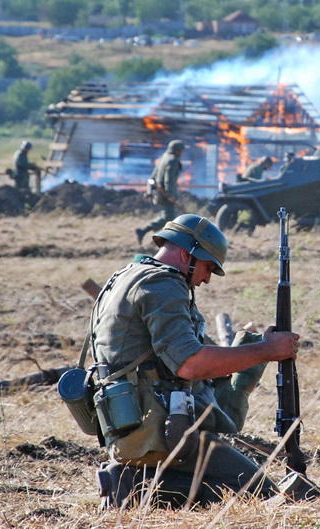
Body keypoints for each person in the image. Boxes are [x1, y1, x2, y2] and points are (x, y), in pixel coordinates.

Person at [89, 214, 300, 508]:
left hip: (133, 425)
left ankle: (137, 479)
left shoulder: (128, 275)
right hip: (156, 431)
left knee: (243, 486)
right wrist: (268, 351)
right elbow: (190, 364)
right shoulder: (163, 284)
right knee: (256, 493)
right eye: (207, 267)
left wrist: (258, 347)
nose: (206, 278)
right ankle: (131, 485)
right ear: (187, 254)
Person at [136, 140, 185, 245]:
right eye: (181, 150)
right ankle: (145, 232)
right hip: (165, 194)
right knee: (168, 217)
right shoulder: (172, 160)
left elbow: (153, 176)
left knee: (170, 217)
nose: (182, 153)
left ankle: (163, 239)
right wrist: (171, 195)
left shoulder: (163, 158)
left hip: (160, 193)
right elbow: (169, 180)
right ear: (177, 151)